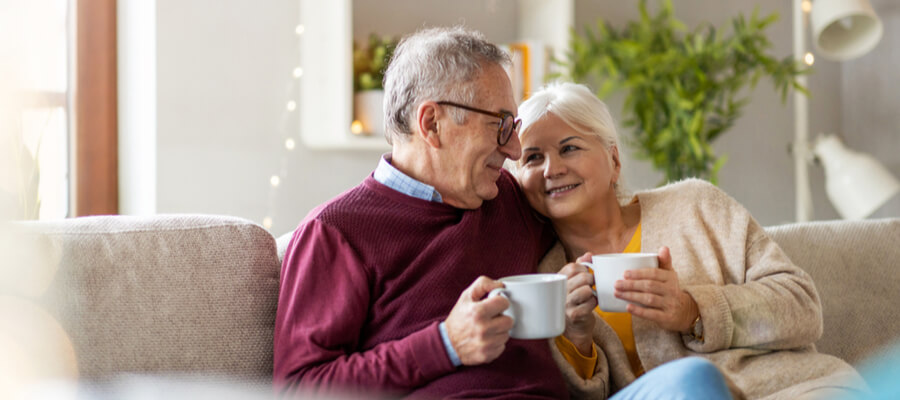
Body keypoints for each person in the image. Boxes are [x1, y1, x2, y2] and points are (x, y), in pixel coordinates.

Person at [274, 27, 736, 399]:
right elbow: (299, 388)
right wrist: (444, 346)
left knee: (692, 382)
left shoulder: (512, 198)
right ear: (432, 123)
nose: (515, 149)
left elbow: (593, 198)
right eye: (501, 126)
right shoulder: (336, 232)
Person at [512, 81, 869, 399]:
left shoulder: (694, 205)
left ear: (614, 160)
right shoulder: (544, 278)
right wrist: (576, 338)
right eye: (533, 157)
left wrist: (694, 311)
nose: (551, 169)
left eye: (569, 148)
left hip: (790, 389)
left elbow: (802, 307)